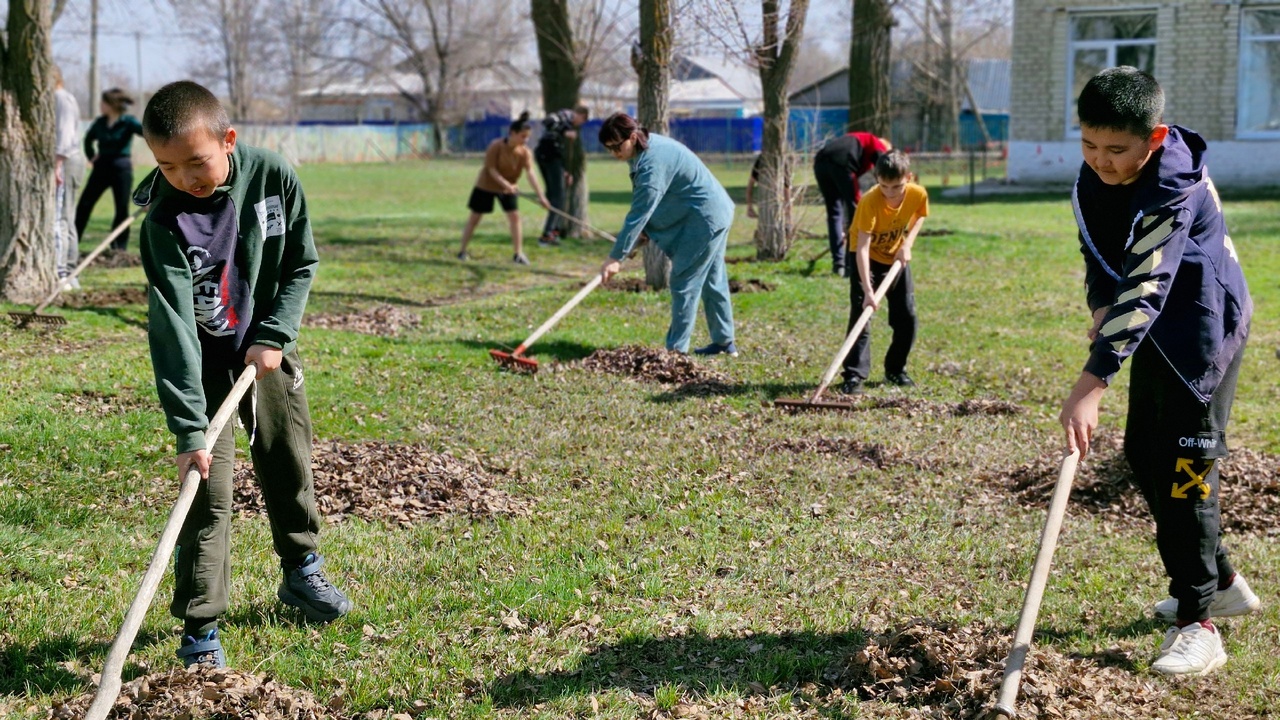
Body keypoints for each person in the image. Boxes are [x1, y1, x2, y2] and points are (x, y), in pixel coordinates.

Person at [134, 80, 352, 669]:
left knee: (287, 457)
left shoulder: (273, 177)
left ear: (228, 140)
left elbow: (300, 263)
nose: (185, 177)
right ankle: (201, 629)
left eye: (197, 161)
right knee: (206, 492)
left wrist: (273, 335)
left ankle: (302, 569)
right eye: (167, 166)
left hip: (266, 353)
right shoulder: (161, 223)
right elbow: (173, 329)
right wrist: (188, 432)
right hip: (205, 369)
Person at [1059, 67, 1259, 677]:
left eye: (1117, 149)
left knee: (1185, 471)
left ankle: (1197, 622)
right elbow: (1100, 248)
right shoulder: (1099, 176)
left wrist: (1090, 386)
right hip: (1154, 330)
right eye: (1089, 145)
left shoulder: (1175, 185)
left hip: (1201, 334)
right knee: (1147, 453)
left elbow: (1146, 284)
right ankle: (1218, 578)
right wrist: (1100, 303)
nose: (1102, 162)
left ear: (1155, 136)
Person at [597, 113, 737, 356]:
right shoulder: (645, 148)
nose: (614, 153)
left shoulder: (652, 163)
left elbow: (639, 212)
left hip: (706, 219)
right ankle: (724, 343)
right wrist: (641, 235)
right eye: (608, 149)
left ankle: (675, 354)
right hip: (714, 212)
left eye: (617, 147)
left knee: (683, 281)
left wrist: (616, 257)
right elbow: (659, 200)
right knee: (713, 279)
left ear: (632, 136)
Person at [839, 150, 928, 394]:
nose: (890, 193)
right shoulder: (870, 202)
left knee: (907, 317)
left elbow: (920, 214)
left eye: (896, 187)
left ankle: (895, 369)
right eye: (884, 186)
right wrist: (868, 291)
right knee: (862, 315)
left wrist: (907, 244)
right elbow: (862, 249)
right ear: (877, 179)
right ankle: (854, 376)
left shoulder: (918, 193)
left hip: (896, 257)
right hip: (865, 258)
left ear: (908, 178)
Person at [457, 112, 550, 264]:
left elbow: (531, 173)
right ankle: (462, 251)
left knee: (515, 218)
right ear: (512, 133)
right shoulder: (496, 146)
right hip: (486, 186)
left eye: (527, 137)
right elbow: (491, 169)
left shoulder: (525, 152)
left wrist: (541, 197)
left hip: (509, 188)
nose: (525, 140)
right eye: (522, 136)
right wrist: (506, 185)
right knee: (475, 218)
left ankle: (518, 254)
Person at [812, 131, 891, 276]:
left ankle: (839, 264)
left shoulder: (857, 140)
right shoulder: (876, 143)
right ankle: (851, 265)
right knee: (857, 213)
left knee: (834, 213)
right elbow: (885, 169)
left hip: (820, 163)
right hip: (842, 163)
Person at [76, 88, 144, 251]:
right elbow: (88, 139)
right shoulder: (100, 122)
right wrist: (91, 155)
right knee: (84, 204)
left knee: (121, 208)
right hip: (101, 167)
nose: (100, 105)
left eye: (103, 102)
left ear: (111, 105)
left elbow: (146, 132)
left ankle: (119, 248)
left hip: (121, 168)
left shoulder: (128, 122)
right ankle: (73, 241)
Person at [534, 104, 589, 247]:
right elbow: (548, 122)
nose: (579, 124)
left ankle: (554, 231)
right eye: (581, 121)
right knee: (558, 197)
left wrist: (565, 171)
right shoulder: (564, 115)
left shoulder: (569, 123)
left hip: (552, 158)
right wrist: (565, 131)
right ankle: (547, 235)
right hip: (547, 156)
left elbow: (561, 150)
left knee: (556, 196)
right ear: (580, 115)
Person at [53, 66, 85, 289]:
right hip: (67, 159)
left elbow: (64, 134)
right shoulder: (63, 97)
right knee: (66, 215)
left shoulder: (60, 98)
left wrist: (57, 164)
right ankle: (71, 270)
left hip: (66, 160)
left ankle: (63, 270)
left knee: (62, 215)